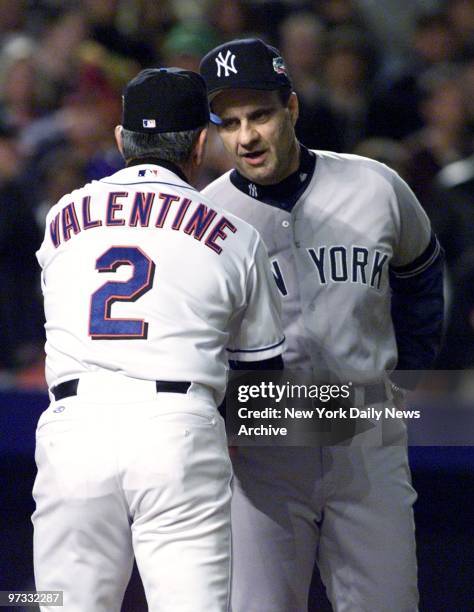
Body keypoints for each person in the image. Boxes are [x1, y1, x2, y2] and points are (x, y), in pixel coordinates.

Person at [200, 38, 444, 611]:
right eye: (229, 122)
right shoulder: (208, 216)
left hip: (364, 429)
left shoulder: (374, 186)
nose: (246, 137)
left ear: (292, 108)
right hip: (261, 441)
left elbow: (422, 275)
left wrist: (403, 378)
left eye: (259, 115)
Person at [32, 67, 285, 612]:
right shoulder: (236, 235)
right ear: (200, 143)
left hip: (74, 426)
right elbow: (262, 373)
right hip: (178, 426)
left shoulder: (61, 216)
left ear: (122, 140)